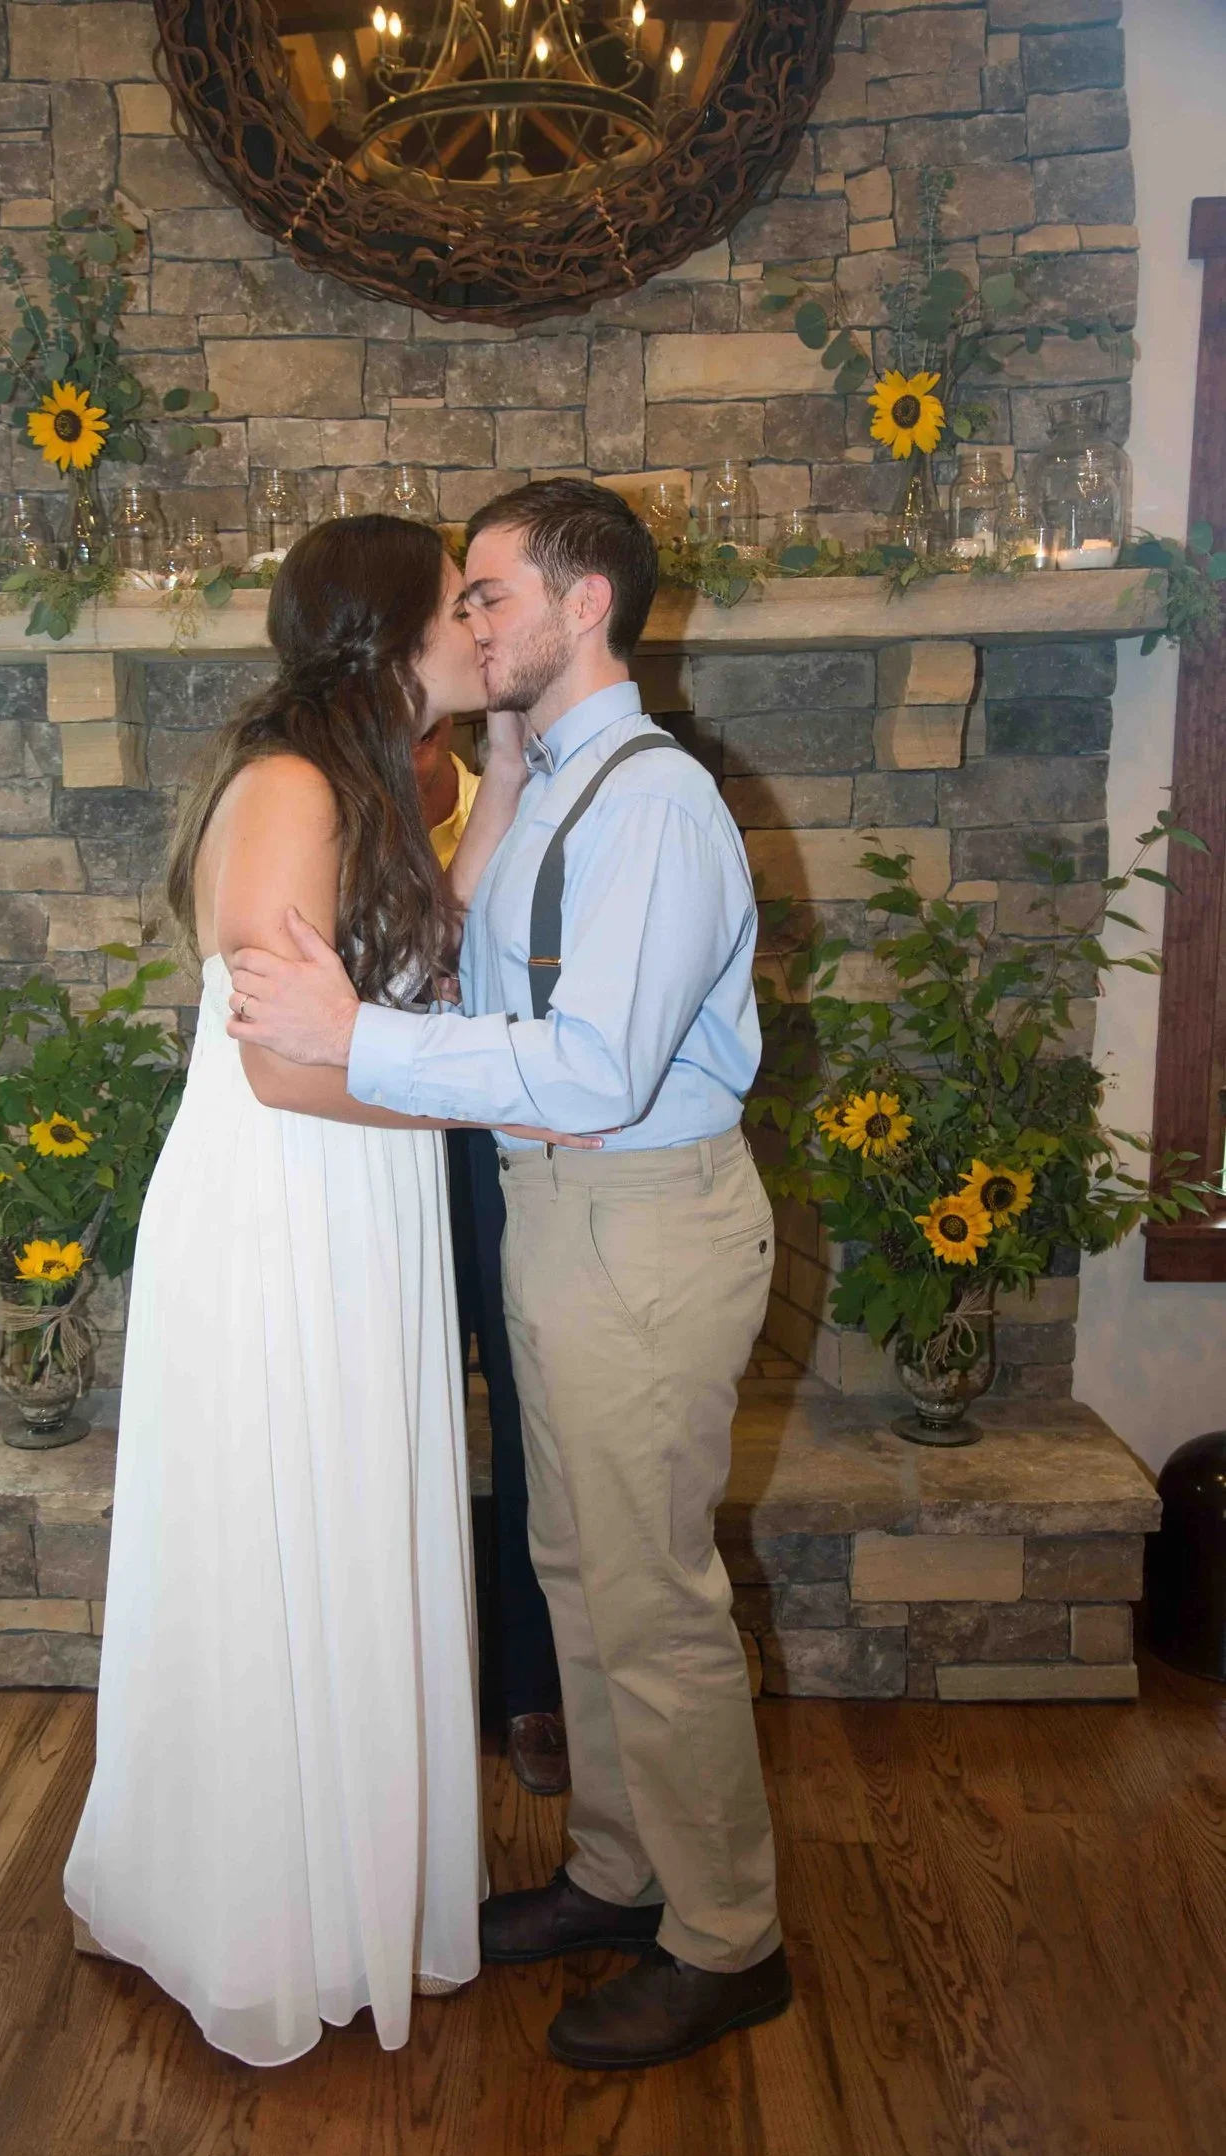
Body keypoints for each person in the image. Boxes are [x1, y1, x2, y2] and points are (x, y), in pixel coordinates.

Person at [226, 478, 790, 2072]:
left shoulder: (658, 805)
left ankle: (726, 1936)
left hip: (643, 1212)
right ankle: (620, 1873)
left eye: (487, 593)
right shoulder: (549, 775)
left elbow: (599, 1063)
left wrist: (353, 1039)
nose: (465, 623)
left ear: (585, 599)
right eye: (461, 601)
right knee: (576, 1567)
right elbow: (479, 943)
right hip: (555, 1214)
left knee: (655, 1596)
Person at [63, 514, 593, 2068]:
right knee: (280, 1540)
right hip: (283, 1208)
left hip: (363, 1207)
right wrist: (501, 1100)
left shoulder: (378, 777)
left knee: (357, 1533)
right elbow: (289, 1069)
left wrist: (499, 744)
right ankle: (262, 1915)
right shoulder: (288, 787)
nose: (475, 625)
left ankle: (361, 1893)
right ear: (387, 634)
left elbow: (434, 927)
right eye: (457, 607)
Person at [415, 717, 568, 1797]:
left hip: (498, 1141)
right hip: (369, 1143)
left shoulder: (527, 788)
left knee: (526, 1406)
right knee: (397, 1411)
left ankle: (533, 1687)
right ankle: (405, 1688)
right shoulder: (326, 797)